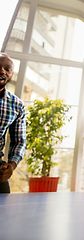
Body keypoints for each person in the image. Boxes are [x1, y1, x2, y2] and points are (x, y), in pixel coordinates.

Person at [0, 53, 26, 193]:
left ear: (11, 74)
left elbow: (19, 142)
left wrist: (11, 165)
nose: (2, 71)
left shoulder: (17, 105)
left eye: (7, 69)